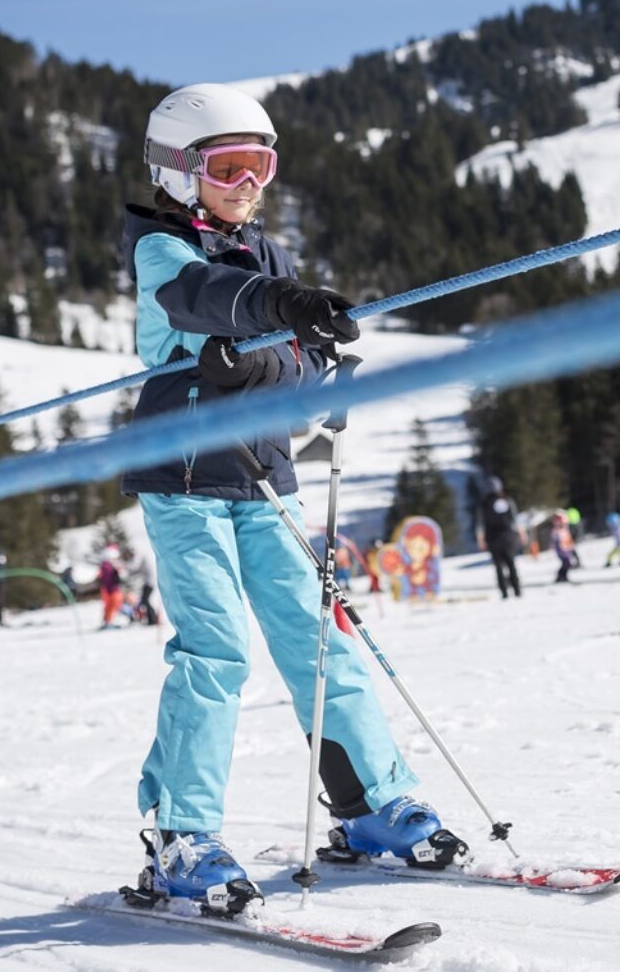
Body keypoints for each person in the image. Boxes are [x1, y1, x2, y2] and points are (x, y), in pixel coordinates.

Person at [117, 83, 463, 914]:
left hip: (267, 473)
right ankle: (183, 835)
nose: (248, 182)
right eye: (227, 166)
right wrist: (280, 319)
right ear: (175, 172)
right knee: (216, 648)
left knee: (321, 637)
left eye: (260, 164)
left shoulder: (268, 258)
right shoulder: (161, 249)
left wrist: (313, 369)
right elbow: (207, 300)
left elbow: (285, 358)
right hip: (186, 477)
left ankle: (372, 806)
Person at [476, 477, 525, 600]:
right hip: (508, 536)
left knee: (498, 566)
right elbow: (515, 518)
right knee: (511, 563)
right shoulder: (507, 500)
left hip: (493, 538)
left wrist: (480, 539)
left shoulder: (484, 504)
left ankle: (504, 592)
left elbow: (480, 524)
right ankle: (517, 590)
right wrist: (522, 533)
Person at [98, 549, 126, 629]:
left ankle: (108, 621)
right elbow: (107, 580)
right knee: (112, 606)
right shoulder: (107, 566)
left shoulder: (108, 566)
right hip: (111, 590)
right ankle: (108, 622)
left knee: (112, 606)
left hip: (111, 589)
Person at [549, 510, 578, 583]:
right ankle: (560, 576)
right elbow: (556, 542)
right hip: (561, 550)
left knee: (567, 564)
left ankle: (563, 576)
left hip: (567, 549)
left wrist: (571, 546)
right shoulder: (556, 531)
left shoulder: (565, 530)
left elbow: (568, 539)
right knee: (566, 563)